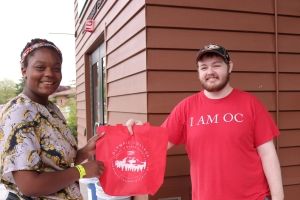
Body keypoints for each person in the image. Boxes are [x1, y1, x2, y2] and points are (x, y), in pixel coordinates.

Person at [127, 44, 284, 200]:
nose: (210, 72)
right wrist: (137, 132)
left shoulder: (251, 104)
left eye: (216, 65)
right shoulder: (186, 108)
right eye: (203, 68)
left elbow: (268, 153)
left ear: (230, 67)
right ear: (198, 72)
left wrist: (278, 197)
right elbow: (157, 144)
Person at [0, 38, 104, 199]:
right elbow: (29, 185)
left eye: (56, 68)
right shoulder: (20, 113)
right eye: (40, 67)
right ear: (24, 70)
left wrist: (83, 153)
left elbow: (56, 166)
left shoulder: (50, 109)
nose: (49, 73)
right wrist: (82, 171)